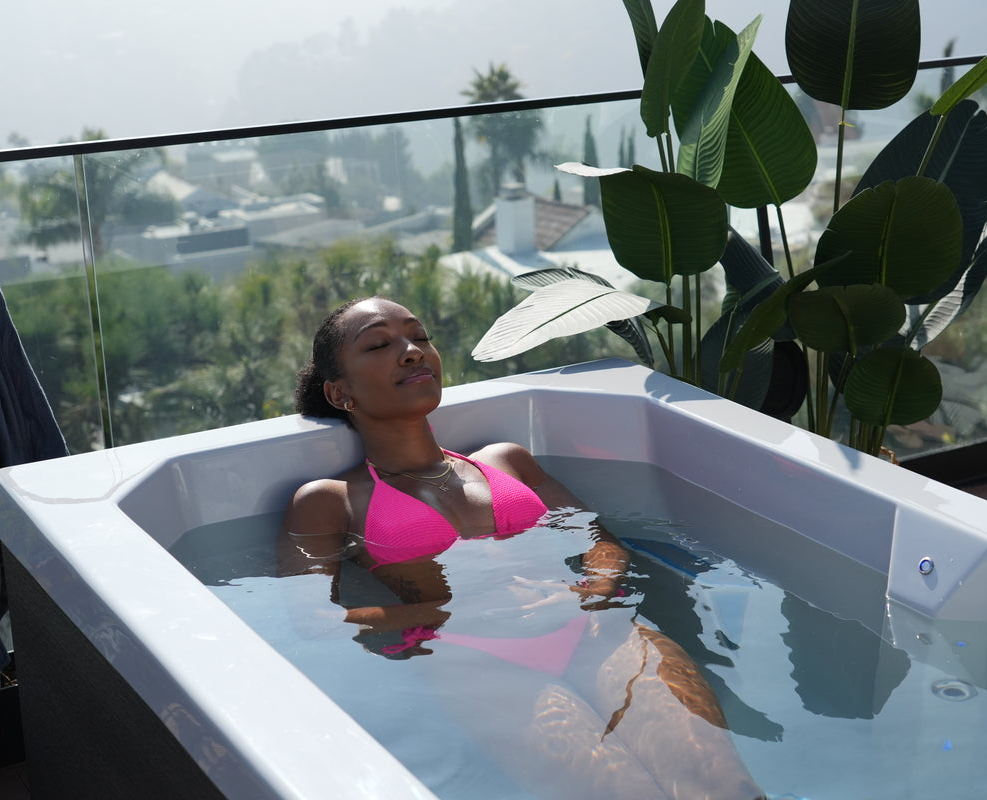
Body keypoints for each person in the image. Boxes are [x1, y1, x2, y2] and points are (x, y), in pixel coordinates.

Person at [278, 297, 765, 800]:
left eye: (419, 337)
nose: (411, 352)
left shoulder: (506, 461)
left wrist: (589, 591)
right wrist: (451, 612)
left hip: (598, 631)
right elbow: (312, 621)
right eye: (380, 344)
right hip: (480, 664)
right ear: (340, 393)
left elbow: (600, 540)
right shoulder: (332, 500)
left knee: (727, 788)